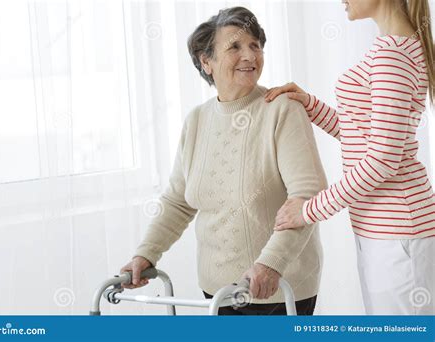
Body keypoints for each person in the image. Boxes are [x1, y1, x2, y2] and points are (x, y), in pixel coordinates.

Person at [119, 6, 328, 315]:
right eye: (234, 47)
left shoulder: (281, 109)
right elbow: (178, 201)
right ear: (207, 62)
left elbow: (309, 195)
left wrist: (271, 263)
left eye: (255, 46)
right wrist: (145, 255)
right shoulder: (197, 121)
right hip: (218, 291)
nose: (250, 56)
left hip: (278, 289)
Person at [266, 0, 435, 315]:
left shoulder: (391, 56)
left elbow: (382, 158)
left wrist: (308, 211)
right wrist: (311, 105)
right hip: (386, 230)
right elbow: (366, 136)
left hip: (397, 231)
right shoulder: (394, 48)